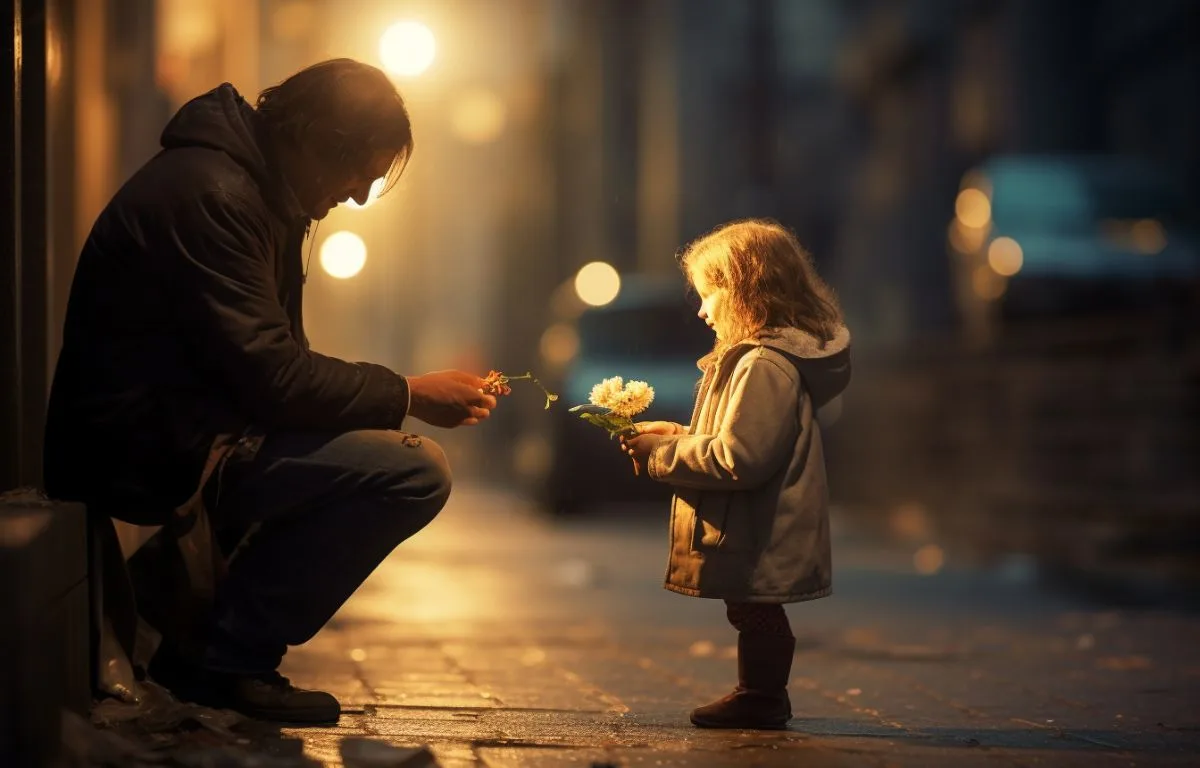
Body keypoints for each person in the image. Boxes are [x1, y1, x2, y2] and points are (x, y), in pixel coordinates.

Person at [43, 59, 498, 725]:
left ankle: (211, 637)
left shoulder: (254, 192)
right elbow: (275, 376)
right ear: (314, 139)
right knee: (412, 471)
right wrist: (406, 392)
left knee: (386, 456)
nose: (360, 196)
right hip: (148, 448)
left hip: (197, 431)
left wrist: (384, 400)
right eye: (359, 173)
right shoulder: (216, 195)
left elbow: (276, 364)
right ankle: (223, 658)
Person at [621, 219, 851, 730]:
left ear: (746, 290)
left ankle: (762, 696)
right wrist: (676, 434)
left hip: (762, 523)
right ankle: (760, 694)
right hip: (751, 519)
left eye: (710, 294)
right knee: (749, 609)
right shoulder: (755, 360)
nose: (702, 310)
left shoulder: (765, 365)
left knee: (757, 609)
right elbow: (737, 435)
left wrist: (662, 455)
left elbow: (741, 456)